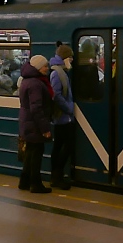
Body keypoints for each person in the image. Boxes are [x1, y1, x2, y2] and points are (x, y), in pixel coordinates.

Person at [18, 54, 53, 192]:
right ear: (38, 67)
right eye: (44, 66)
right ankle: (36, 184)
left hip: (28, 122)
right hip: (34, 123)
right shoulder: (36, 84)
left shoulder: (27, 80)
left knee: (30, 153)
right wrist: (45, 128)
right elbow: (36, 108)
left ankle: (24, 182)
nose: (47, 68)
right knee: (36, 153)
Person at [49, 44, 76, 189]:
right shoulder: (57, 73)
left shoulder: (61, 72)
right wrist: (69, 108)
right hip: (62, 118)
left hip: (64, 117)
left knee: (60, 146)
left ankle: (57, 176)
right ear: (65, 58)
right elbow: (56, 95)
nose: (71, 60)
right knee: (63, 147)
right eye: (70, 57)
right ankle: (57, 177)